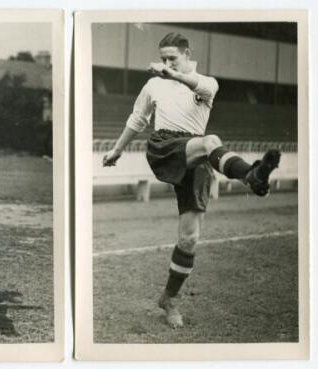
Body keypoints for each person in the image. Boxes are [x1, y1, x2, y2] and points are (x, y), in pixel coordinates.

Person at [103, 32, 280, 328]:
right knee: (211, 141)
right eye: (163, 59)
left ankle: (169, 299)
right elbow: (137, 119)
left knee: (190, 237)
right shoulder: (154, 84)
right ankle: (251, 175)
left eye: (173, 58)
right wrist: (116, 150)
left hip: (197, 153)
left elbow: (196, 85)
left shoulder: (208, 83)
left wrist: (173, 74)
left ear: (187, 54)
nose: (167, 63)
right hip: (165, 146)